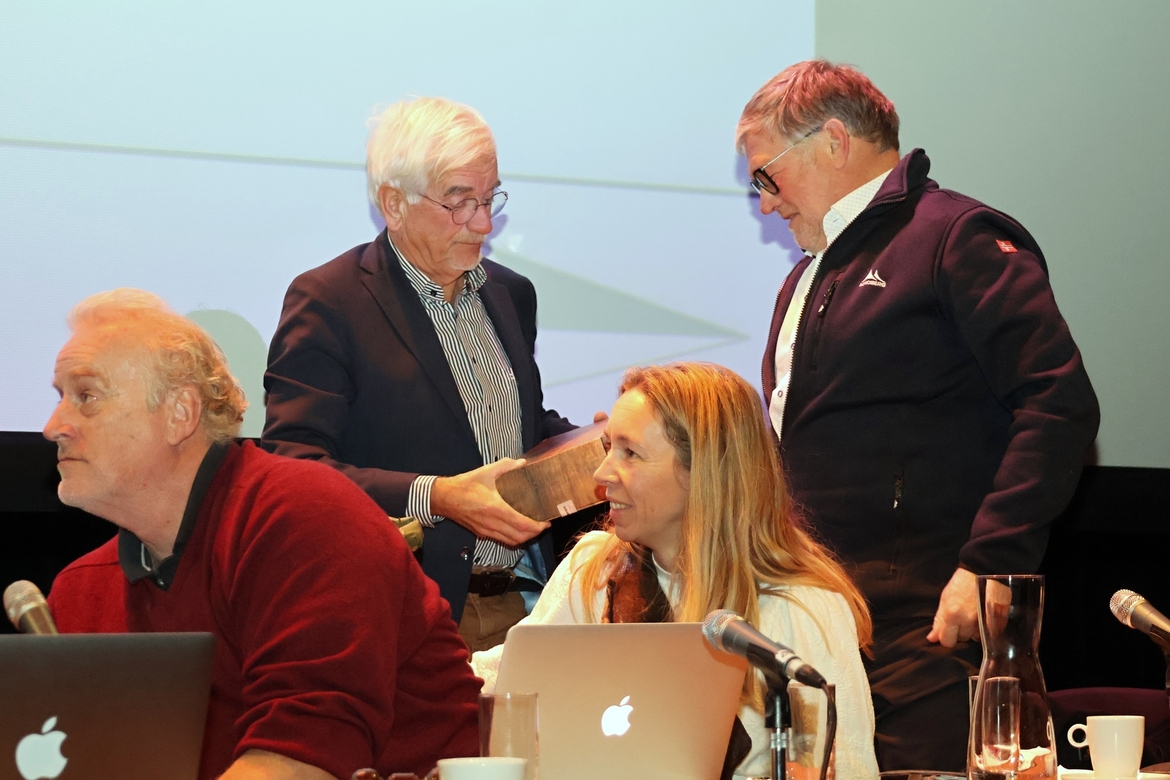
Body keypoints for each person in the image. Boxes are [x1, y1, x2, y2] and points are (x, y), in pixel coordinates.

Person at [737, 60, 1100, 770]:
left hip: (928, 627)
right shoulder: (806, 276)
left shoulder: (956, 238)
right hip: (824, 623)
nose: (766, 205)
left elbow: (1058, 401)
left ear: (833, 141)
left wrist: (989, 564)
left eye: (765, 177)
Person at [44, 289, 481, 780]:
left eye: (86, 397)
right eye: (60, 398)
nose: (53, 426)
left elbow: (304, 759)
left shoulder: (306, 519)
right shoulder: (80, 591)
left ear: (180, 413)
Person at [263, 97, 577, 650]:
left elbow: (521, 427)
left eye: (490, 198)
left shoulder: (510, 293)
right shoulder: (330, 301)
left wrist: (598, 443)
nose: (483, 223)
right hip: (411, 614)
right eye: (459, 202)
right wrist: (436, 496)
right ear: (394, 203)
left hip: (533, 604)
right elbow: (293, 466)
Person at [472, 362, 880, 779]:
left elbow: (848, 768)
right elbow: (503, 683)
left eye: (630, 453)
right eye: (608, 447)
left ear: (702, 470)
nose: (601, 473)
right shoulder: (594, 572)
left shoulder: (802, 605)